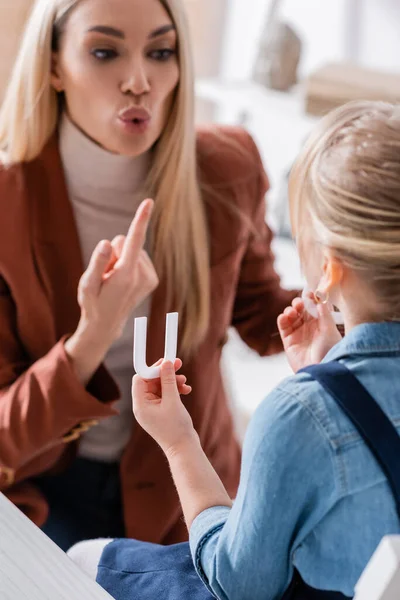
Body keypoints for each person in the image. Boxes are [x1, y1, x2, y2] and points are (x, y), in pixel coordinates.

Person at [70, 100, 400, 599]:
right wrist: (333, 372)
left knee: (80, 559)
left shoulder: (298, 417)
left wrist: (180, 442)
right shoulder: (319, 409)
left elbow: (239, 584)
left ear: (329, 269)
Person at [0, 0, 296, 551]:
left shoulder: (227, 168)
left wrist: (355, 297)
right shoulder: (6, 203)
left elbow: (260, 314)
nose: (139, 82)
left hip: (188, 488)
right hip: (47, 494)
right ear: (54, 67)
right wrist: (92, 336)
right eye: (105, 51)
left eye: (161, 52)